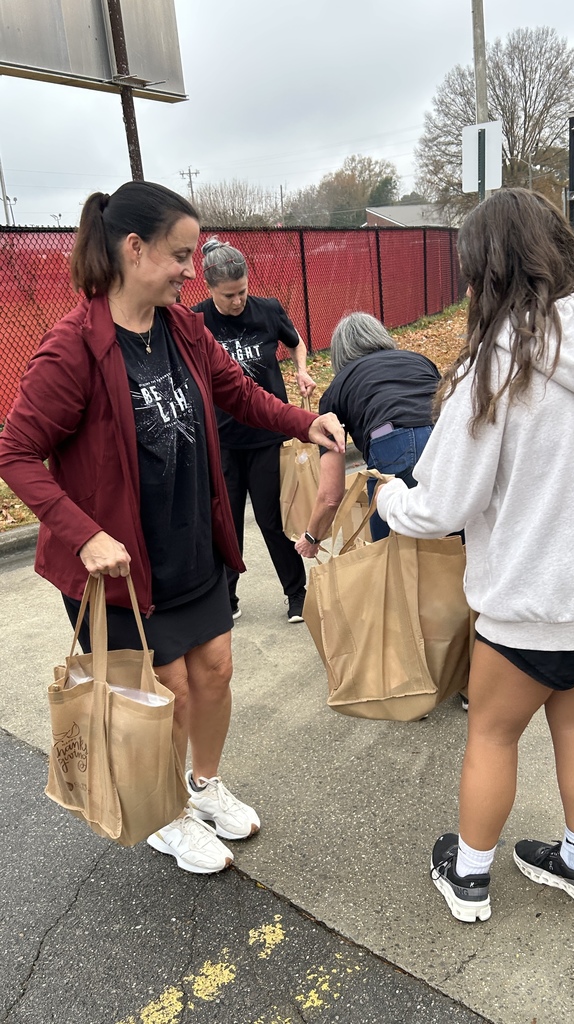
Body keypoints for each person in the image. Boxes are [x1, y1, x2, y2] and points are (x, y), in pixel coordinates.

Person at [0, 181, 345, 875]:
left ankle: (202, 784)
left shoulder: (184, 329)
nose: (194, 270)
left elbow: (239, 393)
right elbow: (14, 452)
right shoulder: (74, 348)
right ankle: (164, 813)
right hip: (123, 565)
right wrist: (79, 531)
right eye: (181, 255)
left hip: (192, 542)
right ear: (134, 249)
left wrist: (303, 421)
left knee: (215, 671)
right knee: (169, 693)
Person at [375, 188, 574, 920]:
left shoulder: (496, 364)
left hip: (537, 597)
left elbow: (443, 505)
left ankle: (469, 878)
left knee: (493, 732)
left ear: (490, 270)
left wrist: (383, 497)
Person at [192, 238, 315, 624]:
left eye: (242, 290)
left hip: (267, 436)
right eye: (228, 295)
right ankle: (224, 600)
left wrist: (301, 369)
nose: (237, 301)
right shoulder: (196, 321)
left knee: (272, 520)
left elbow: (296, 344)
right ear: (209, 290)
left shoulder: (268, 310)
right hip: (223, 440)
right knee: (225, 523)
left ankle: (297, 594)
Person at [294, 312, 440, 558]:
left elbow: (331, 495)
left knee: (392, 558)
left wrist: (312, 537)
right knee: (457, 546)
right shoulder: (420, 361)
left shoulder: (337, 388)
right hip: (444, 438)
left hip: (393, 443)